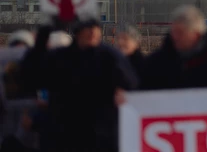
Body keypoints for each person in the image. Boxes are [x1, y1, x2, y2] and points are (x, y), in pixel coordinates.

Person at [22, 18, 137, 152]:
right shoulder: (60, 58)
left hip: (99, 135)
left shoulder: (109, 58)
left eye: (95, 27)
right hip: (66, 134)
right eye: (87, 28)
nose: (92, 32)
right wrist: (44, 35)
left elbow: (131, 83)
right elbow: (31, 77)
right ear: (77, 32)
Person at [141, 6, 207, 90]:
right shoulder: (156, 63)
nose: (175, 37)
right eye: (174, 32)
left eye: (181, 32)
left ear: (196, 34)